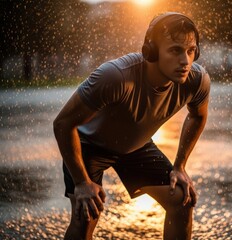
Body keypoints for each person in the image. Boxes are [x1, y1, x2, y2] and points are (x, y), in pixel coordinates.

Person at [53, 12, 210, 240]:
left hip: (136, 146)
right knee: (86, 216)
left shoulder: (197, 80)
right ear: (152, 51)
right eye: (175, 50)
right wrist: (81, 183)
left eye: (191, 50)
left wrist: (180, 165)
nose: (186, 61)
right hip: (89, 144)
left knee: (181, 199)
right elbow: (63, 123)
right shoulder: (116, 77)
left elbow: (197, 116)